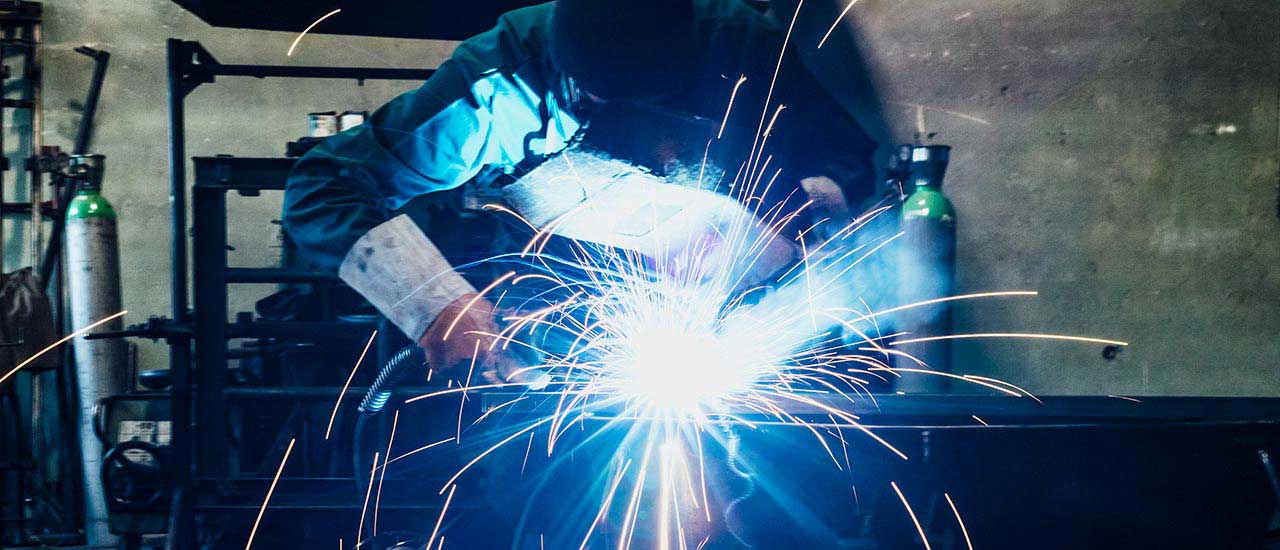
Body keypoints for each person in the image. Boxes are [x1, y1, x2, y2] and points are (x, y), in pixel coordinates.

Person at [283, 0, 877, 383]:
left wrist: (791, 228)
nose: (660, 156)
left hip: (734, 318)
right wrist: (438, 302)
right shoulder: (499, 87)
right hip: (557, 311)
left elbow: (847, 162)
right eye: (596, 101)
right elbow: (325, 185)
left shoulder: (740, 45)